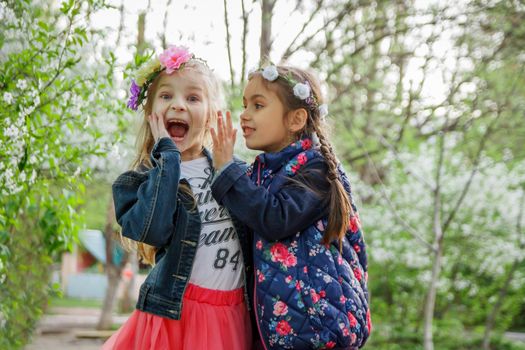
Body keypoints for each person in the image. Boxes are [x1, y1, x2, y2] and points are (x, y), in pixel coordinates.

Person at [103, 45, 253, 350]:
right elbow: (154, 229)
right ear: (150, 114)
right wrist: (168, 156)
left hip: (233, 314)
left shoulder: (232, 171)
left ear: (211, 115)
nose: (179, 105)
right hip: (176, 315)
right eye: (167, 96)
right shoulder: (141, 182)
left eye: (193, 98)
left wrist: (230, 170)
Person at [210, 65, 372, 349]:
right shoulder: (259, 174)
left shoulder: (317, 169)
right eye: (245, 105)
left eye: (258, 105)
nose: (245, 114)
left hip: (317, 329)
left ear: (296, 119)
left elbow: (276, 218)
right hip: (275, 331)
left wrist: (226, 171)